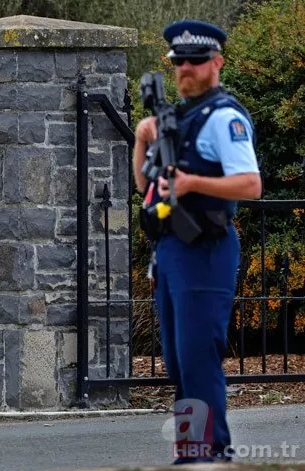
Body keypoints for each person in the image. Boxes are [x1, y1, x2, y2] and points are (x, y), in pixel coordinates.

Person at [132, 20, 261, 463]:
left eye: (196, 60)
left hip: (205, 249)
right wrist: (141, 141)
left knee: (197, 359)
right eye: (179, 61)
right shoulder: (174, 120)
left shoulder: (225, 117)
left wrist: (189, 183)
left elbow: (250, 184)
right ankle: (191, 452)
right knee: (176, 361)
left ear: (216, 63)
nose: (185, 67)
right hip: (171, 249)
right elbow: (148, 189)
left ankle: (209, 453)